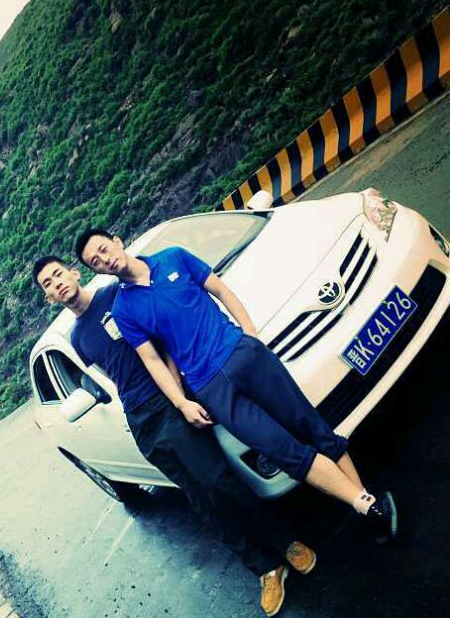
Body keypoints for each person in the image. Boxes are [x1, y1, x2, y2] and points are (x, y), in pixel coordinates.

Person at [34, 254, 318, 617]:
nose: (57, 283)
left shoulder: (117, 296)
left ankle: (287, 542)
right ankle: (265, 568)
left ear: (74, 273)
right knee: (201, 501)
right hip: (140, 420)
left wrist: (179, 394)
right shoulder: (78, 338)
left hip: (167, 400)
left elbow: (162, 341)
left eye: (58, 274)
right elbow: (111, 375)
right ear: (49, 298)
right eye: (48, 284)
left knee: (218, 480)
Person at [74, 228, 398, 546]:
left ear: (117, 241)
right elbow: (153, 360)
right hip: (210, 387)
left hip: (243, 354)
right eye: (95, 262)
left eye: (103, 249)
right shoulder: (123, 310)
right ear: (96, 272)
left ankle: (363, 505)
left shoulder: (173, 258)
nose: (104, 259)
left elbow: (222, 291)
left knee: (310, 426)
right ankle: (369, 506)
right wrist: (182, 403)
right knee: (279, 449)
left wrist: (250, 337)